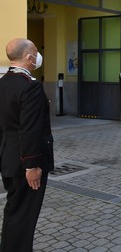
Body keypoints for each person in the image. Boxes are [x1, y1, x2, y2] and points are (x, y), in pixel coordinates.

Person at [0, 38, 55, 251]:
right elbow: (30, 128)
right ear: (29, 57)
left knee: (15, 210)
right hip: (26, 163)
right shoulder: (30, 86)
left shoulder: (3, 82)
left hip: (9, 158)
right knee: (24, 216)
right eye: (35, 51)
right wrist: (31, 166)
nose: (38, 55)